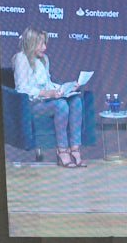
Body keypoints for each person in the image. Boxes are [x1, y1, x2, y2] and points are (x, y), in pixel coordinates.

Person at [12, 28, 88, 167]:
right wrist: (47, 94)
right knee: (61, 105)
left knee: (76, 101)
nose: (44, 47)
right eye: (41, 44)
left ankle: (75, 149)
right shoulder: (21, 58)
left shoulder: (44, 59)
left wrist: (65, 88)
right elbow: (21, 88)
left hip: (47, 101)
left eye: (45, 43)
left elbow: (48, 83)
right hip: (32, 105)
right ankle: (62, 151)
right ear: (31, 43)